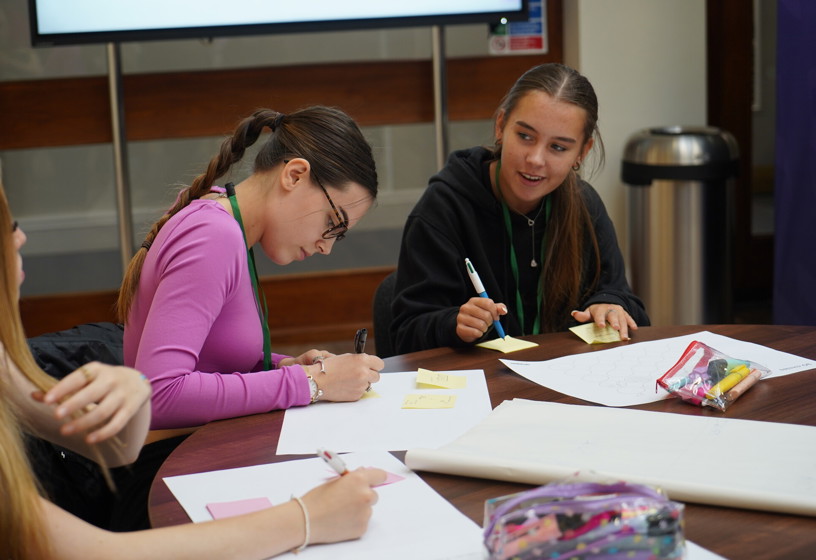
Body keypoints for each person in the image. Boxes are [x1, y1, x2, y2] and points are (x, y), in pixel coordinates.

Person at [1, 182, 385, 559]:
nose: (19, 238)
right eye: (6, 227)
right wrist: (306, 517)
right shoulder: (215, 230)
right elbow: (100, 551)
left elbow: (120, 444)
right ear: (294, 176)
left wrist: (135, 388)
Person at [117, 106, 384, 431]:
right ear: (294, 175)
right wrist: (310, 382)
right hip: (172, 461)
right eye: (332, 222)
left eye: (338, 236)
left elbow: (211, 357)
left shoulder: (222, 218)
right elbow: (159, 394)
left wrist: (283, 366)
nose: (325, 247)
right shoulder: (214, 236)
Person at [391, 63, 649, 354]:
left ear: (582, 152)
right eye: (525, 136)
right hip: (479, 390)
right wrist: (454, 323)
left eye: (559, 148)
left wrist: (611, 305)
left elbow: (624, 300)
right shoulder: (444, 207)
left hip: (561, 387)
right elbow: (406, 335)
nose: (536, 159)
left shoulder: (584, 205)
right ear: (501, 126)